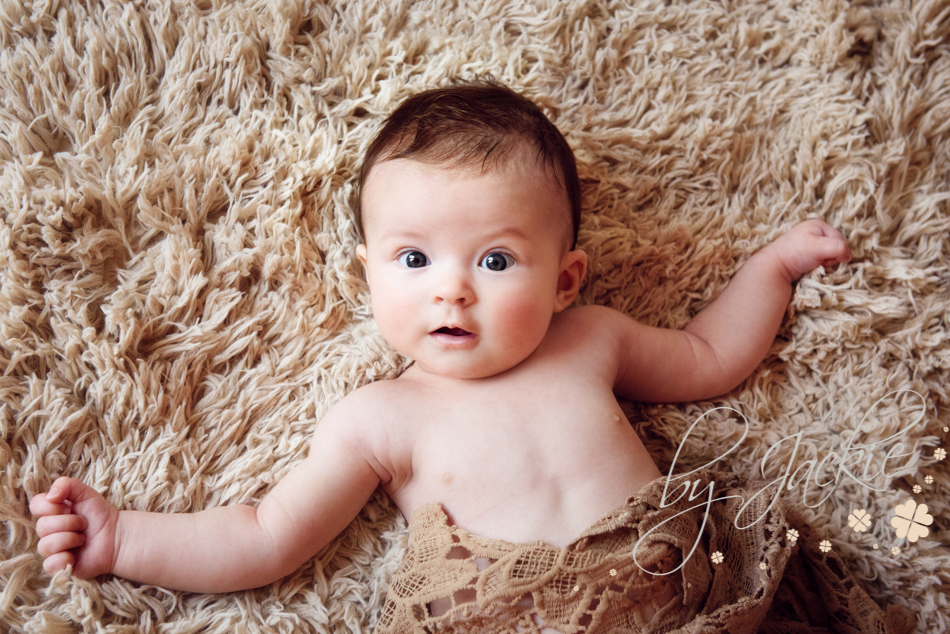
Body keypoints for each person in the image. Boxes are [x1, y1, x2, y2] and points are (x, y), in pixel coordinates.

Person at [33, 80, 908, 634]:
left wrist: (773, 268)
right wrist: (123, 540)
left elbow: (713, 357)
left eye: (495, 261)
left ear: (566, 280)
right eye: (414, 259)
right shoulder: (380, 417)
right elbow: (267, 536)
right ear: (366, 276)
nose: (452, 290)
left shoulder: (591, 338)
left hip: (676, 597)